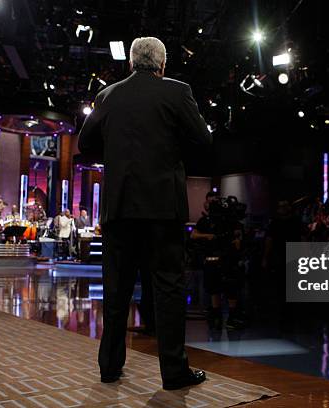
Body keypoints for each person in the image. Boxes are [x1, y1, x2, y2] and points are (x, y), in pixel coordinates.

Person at [78, 37, 211, 388]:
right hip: (163, 208)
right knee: (168, 289)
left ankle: (109, 366)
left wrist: (116, 153)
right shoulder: (178, 92)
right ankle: (174, 372)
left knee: (116, 289)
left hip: (119, 207)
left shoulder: (107, 96)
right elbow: (203, 138)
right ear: (162, 65)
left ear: (131, 63)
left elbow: (84, 144)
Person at [191, 192, 245, 330]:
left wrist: (237, 241)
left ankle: (232, 317)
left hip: (229, 257)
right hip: (212, 256)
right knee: (214, 287)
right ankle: (216, 316)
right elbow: (194, 235)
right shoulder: (205, 220)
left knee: (231, 286)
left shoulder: (231, 221)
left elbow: (238, 236)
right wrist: (208, 236)